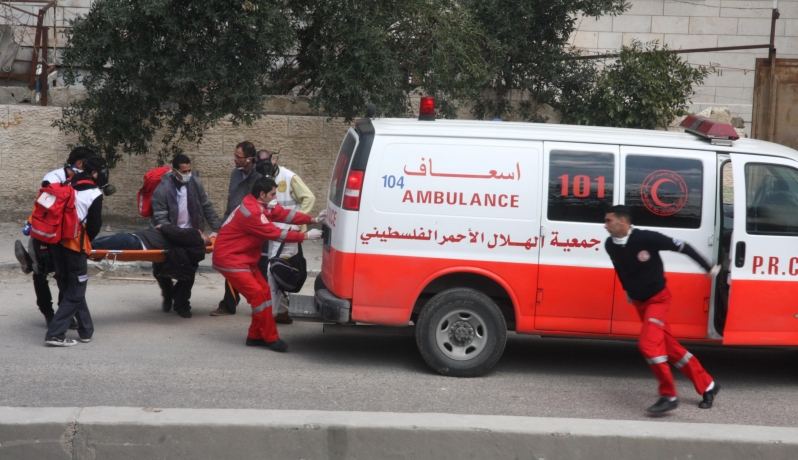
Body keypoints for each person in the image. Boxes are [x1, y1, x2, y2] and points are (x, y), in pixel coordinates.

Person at [603, 205, 721, 415]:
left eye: (609, 221)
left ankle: (669, 395)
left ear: (623, 221)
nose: (605, 225)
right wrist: (628, 290)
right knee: (671, 349)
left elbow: (682, 246)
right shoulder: (610, 245)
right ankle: (708, 384)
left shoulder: (646, 238)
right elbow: (620, 269)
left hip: (658, 300)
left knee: (649, 345)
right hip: (640, 304)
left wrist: (708, 267)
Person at [212, 177, 323, 352]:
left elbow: (284, 214)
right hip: (230, 258)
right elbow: (276, 234)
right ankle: (271, 338)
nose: (275, 197)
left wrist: (313, 219)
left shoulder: (259, 204)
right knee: (258, 295)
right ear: (262, 194)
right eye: (272, 194)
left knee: (264, 292)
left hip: (243, 257)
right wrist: (306, 236)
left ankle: (255, 336)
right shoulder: (252, 212)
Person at [15, 146, 94, 327]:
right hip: (48, 231)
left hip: (66, 233)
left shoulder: (81, 181)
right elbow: (44, 206)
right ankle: (48, 313)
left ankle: (63, 312)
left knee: (64, 274)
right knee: (41, 272)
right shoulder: (52, 178)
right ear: (80, 163)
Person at [44, 154, 108, 347]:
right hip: (74, 246)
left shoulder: (67, 184)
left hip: (56, 243)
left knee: (68, 286)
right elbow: (94, 226)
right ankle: (55, 334)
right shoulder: (94, 193)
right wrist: (86, 242)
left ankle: (86, 330)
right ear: (94, 173)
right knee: (76, 290)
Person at [150, 154, 221, 318]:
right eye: (184, 171)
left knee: (189, 270)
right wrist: (174, 234)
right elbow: (160, 217)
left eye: (189, 170)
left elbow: (206, 206)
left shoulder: (195, 183)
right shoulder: (163, 189)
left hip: (192, 233)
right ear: (174, 171)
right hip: (170, 234)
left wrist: (218, 228)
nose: (187, 174)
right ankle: (168, 293)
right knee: (160, 269)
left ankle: (182, 304)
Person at [257, 148, 316, 324]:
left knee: (276, 270)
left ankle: (275, 312)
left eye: (268, 162)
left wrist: (298, 221)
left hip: (289, 232)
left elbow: (309, 198)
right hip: (272, 232)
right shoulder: (263, 178)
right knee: (275, 270)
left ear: (275, 160)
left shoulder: (289, 177)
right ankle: (280, 311)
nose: (266, 166)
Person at [210, 141, 263, 316]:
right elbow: (231, 202)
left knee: (254, 267)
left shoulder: (259, 177)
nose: (235, 159)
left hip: (252, 229)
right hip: (234, 227)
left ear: (249, 159)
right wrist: (221, 227)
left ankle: (264, 303)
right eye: (235, 155)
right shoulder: (235, 174)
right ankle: (229, 303)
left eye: (238, 157)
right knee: (233, 265)